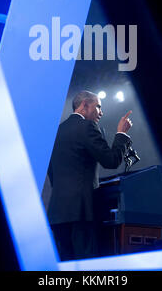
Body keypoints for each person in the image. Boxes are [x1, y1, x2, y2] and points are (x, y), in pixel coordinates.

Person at [47, 90, 133, 261]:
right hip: (81, 212)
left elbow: (52, 174)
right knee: (86, 265)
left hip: (57, 213)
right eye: (98, 106)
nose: (101, 112)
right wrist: (121, 134)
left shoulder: (56, 131)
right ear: (85, 105)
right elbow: (111, 161)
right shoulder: (87, 126)